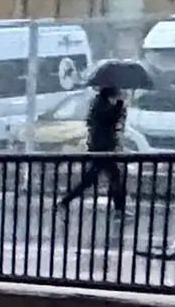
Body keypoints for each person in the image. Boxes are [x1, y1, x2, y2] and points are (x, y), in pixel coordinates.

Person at [55, 64, 134, 223]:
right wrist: (119, 105)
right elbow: (107, 120)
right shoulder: (101, 104)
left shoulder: (101, 102)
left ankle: (66, 202)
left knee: (92, 179)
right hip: (102, 146)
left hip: (103, 145)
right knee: (112, 177)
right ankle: (118, 210)